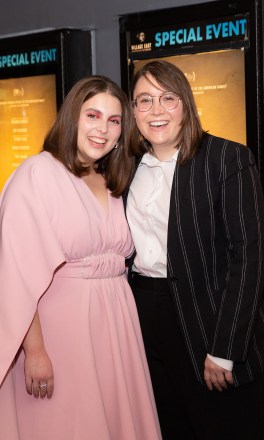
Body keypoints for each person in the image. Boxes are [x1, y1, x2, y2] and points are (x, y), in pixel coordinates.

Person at [0, 75, 162, 440]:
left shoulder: (111, 179)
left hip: (116, 328)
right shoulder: (37, 174)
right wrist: (35, 351)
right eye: (92, 115)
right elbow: (14, 275)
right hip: (63, 334)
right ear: (73, 117)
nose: (102, 129)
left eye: (114, 120)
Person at [126, 59, 264, 440]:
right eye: (144, 100)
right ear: (133, 110)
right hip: (143, 316)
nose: (156, 110)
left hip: (208, 318)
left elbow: (249, 257)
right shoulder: (125, 167)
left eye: (167, 98)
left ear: (185, 103)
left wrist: (224, 349)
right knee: (165, 424)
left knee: (218, 425)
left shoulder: (226, 159)